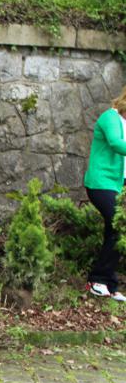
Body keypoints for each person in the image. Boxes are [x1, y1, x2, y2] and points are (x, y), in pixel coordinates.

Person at [82, 86, 126, 302]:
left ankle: (109, 283)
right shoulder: (110, 117)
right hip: (100, 183)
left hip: (118, 184)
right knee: (118, 227)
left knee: (115, 231)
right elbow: (117, 144)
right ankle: (97, 279)